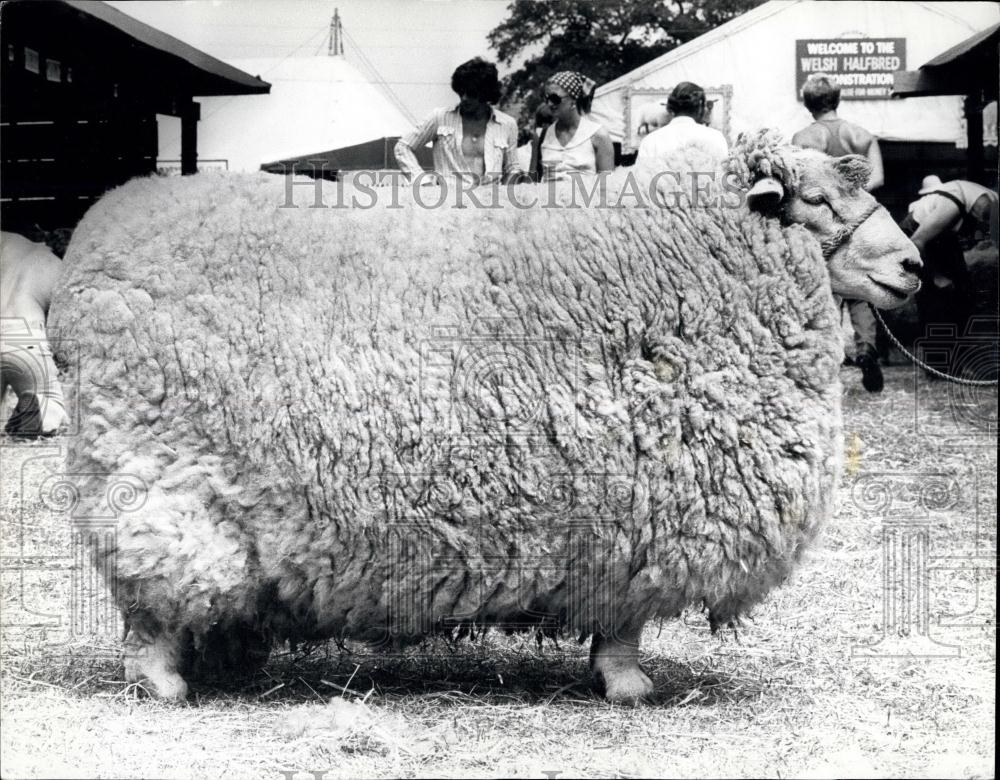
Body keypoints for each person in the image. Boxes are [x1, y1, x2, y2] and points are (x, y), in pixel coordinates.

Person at [792, 73, 885, 392]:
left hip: (820, 228)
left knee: (824, 293)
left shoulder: (801, 139)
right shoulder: (861, 135)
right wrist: (849, 199)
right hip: (858, 224)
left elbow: (799, 187)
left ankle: (827, 362)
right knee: (861, 288)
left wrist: (829, 200)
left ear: (808, 104)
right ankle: (867, 349)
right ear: (838, 99)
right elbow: (877, 180)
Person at [901, 174, 998, 355]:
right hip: (917, 238)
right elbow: (916, 242)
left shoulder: (991, 201)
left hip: (944, 236)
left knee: (964, 292)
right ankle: (938, 364)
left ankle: (959, 358)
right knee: (935, 298)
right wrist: (936, 276)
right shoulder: (952, 206)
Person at [394, 57, 521, 185]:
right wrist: (423, 183)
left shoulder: (507, 124)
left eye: (471, 93)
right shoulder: (439, 117)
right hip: (447, 201)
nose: (464, 98)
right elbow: (403, 147)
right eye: (461, 92)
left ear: (486, 93)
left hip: (489, 200)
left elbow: (512, 167)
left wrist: (505, 195)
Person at [1, 231, 68, 436]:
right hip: (25, 338)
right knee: (49, 399)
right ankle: (43, 407)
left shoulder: (7, 243)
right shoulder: (53, 266)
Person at [538, 71, 614, 182]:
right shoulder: (544, 135)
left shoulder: (598, 135)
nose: (549, 104)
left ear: (573, 100)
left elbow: (609, 186)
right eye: (546, 98)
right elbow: (533, 181)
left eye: (555, 99)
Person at [636, 82, 729, 168]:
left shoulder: (650, 141)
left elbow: (640, 181)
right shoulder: (716, 138)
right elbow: (722, 178)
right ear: (700, 107)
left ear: (670, 107)